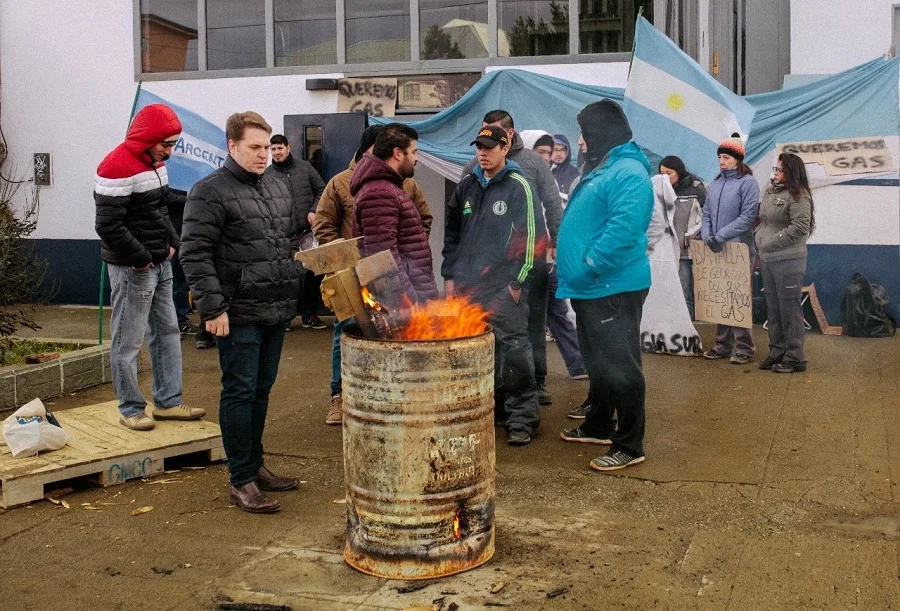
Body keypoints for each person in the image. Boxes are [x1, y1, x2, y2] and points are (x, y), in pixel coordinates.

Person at [180, 111, 302, 514]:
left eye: (267, 147)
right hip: (236, 311)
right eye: (255, 147)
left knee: (261, 391)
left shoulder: (278, 185)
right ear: (232, 146)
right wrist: (213, 307)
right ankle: (240, 479)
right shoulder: (209, 191)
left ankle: (255, 465)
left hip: (275, 307)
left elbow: (283, 239)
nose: (264, 154)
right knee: (239, 391)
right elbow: (194, 253)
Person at [556, 99, 653, 472]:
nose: (580, 141)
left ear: (600, 134)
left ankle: (629, 444)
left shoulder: (627, 171)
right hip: (590, 286)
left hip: (610, 285)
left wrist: (590, 264)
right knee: (598, 364)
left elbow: (624, 231)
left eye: (584, 133)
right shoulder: (604, 168)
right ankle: (599, 425)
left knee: (621, 367)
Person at [94, 103, 204, 431]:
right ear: (148, 139)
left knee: (168, 332)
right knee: (127, 341)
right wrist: (142, 257)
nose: (169, 152)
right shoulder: (115, 166)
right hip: (133, 269)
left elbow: (160, 205)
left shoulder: (155, 163)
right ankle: (130, 407)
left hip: (159, 261)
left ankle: (168, 402)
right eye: (165, 144)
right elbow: (108, 226)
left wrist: (172, 242)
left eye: (173, 144)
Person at [314, 125, 432, 426]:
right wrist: (344, 258)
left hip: (397, 280)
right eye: (414, 152)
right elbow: (382, 254)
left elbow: (419, 222)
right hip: (369, 280)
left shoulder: (400, 184)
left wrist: (414, 253)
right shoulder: (358, 185)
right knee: (351, 332)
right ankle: (340, 396)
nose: (417, 159)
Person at [444, 125, 539, 446]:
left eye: (489, 147)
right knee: (476, 354)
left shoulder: (518, 186)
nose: (482, 153)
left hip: (504, 288)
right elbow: (452, 235)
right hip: (469, 289)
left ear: (504, 147)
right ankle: (491, 411)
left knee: (513, 352)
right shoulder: (467, 186)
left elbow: (530, 238)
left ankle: (522, 419)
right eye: (478, 147)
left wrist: (517, 282)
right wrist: (450, 276)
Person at [465, 110, 563, 406]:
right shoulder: (473, 166)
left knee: (533, 321)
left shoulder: (533, 163)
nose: (487, 141)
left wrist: (558, 244)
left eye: (494, 133)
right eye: (483, 134)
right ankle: (500, 384)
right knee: (493, 326)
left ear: (510, 133)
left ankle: (538, 381)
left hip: (531, 259)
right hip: (491, 266)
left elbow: (553, 204)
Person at [351, 123, 438, 304]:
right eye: (413, 152)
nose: (416, 159)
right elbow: (383, 258)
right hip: (406, 305)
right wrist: (409, 302)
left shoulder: (388, 187)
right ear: (398, 153)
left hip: (413, 295)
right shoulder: (379, 193)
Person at [701, 133, 760, 364]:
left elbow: (747, 217)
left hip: (738, 249)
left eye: (726, 157)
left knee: (738, 298)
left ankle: (744, 347)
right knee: (719, 296)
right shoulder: (714, 184)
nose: (722, 161)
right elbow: (706, 214)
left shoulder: (748, 183)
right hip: (716, 248)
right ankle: (721, 345)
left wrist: (721, 236)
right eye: (720, 157)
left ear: (737, 159)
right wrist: (708, 237)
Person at [756, 152, 814, 373]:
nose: (776, 173)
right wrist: (759, 237)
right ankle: (777, 351)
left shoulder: (799, 196)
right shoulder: (771, 193)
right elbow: (764, 221)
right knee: (774, 309)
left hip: (789, 261)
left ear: (791, 172)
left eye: (781, 170)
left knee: (789, 311)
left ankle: (795, 357)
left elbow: (800, 228)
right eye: (776, 170)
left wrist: (769, 242)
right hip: (769, 260)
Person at [266, 134, 327, 330]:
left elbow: (322, 190)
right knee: (287, 277)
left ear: (288, 148)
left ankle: (309, 316)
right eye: (273, 149)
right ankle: (285, 318)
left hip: (308, 234)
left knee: (312, 275)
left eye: (279, 148)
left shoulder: (305, 168)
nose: (276, 153)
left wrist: (314, 210)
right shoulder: (267, 175)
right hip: (283, 235)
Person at [658, 156, 706, 319]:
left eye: (669, 173)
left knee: (684, 292)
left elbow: (705, 217)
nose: (665, 177)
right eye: (661, 173)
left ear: (679, 172)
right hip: (664, 250)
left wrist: (688, 238)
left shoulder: (696, 188)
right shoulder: (659, 189)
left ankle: (688, 333)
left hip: (685, 250)